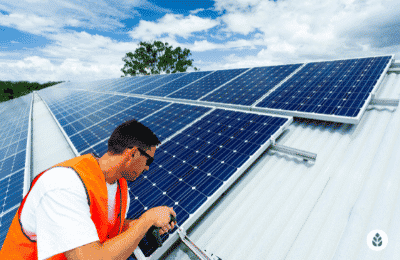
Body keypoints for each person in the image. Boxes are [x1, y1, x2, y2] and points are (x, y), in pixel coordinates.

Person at [0, 119, 176, 260]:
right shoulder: (63, 184)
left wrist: (143, 225)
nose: (147, 168)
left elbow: (105, 229)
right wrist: (146, 220)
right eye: (148, 161)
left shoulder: (120, 188)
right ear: (132, 154)